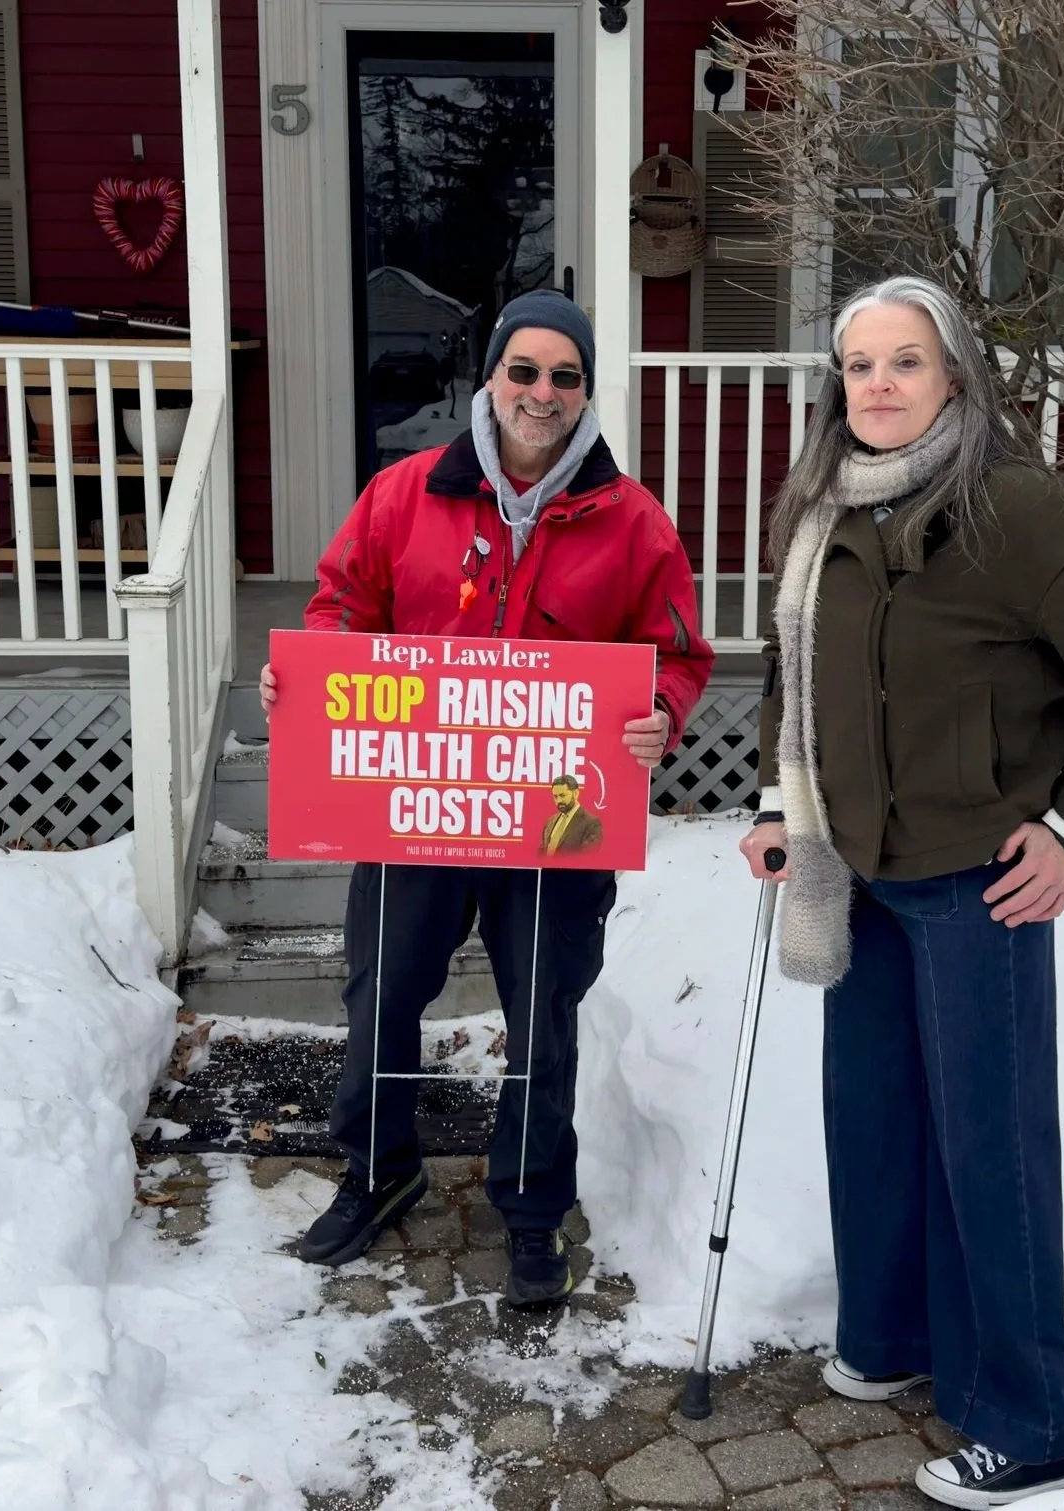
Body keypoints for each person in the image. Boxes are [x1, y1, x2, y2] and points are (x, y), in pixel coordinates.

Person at [739, 276, 1064, 1507]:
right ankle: (894, 1336)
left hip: (975, 879)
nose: (878, 384)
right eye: (859, 364)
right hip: (856, 864)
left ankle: (1036, 1423)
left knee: (990, 1147)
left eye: (905, 361)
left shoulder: (1012, 508)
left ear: (953, 378)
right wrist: (776, 803)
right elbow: (788, 668)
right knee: (873, 1121)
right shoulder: (822, 505)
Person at [262, 289, 713, 1306]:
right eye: (524, 370)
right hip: (415, 800)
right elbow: (341, 606)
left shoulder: (632, 519)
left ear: (585, 390)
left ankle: (531, 1206)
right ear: (492, 376)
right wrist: (314, 674)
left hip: (557, 810)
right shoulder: (405, 492)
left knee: (540, 1011)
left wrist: (659, 713)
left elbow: (679, 653)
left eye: (564, 376)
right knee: (383, 992)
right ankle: (377, 1168)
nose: (541, 393)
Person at [540, 775, 603, 856]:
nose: (558, 800)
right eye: (555, 796)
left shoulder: (591, 823)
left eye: (562, 795)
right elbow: (541, 852)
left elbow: (588, 857)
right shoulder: (550, 821)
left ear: (576, 793)